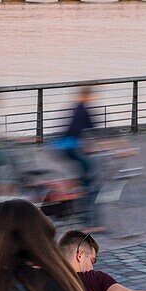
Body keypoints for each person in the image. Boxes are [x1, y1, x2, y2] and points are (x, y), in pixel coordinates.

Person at [55, 84, 100, 229]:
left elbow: (74, 130)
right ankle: (87, 221)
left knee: (82, 174)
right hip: (72, 147)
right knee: (90, 181)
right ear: (89, 96)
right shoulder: (85, 110)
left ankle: (74, 196)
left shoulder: (76, 107)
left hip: (62, 146)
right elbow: (94, 133)